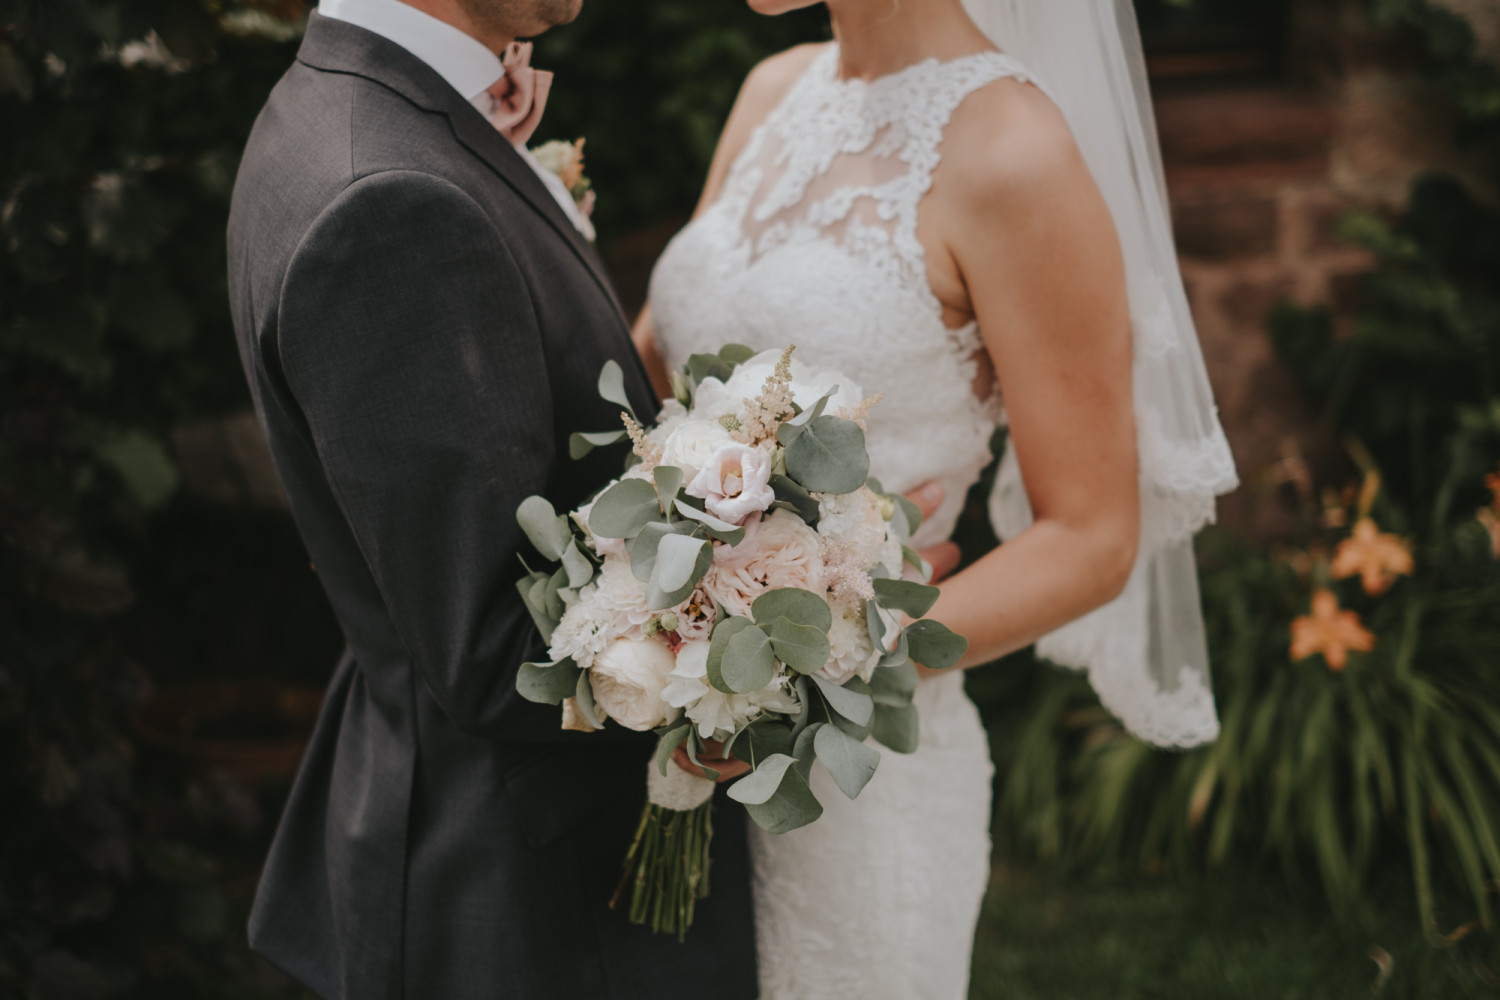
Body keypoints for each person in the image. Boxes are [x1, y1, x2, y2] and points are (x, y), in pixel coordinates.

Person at [639, 0, 1239, 996]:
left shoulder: (1016, 154)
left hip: (858, 780)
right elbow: (661, 373)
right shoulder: (771, 91)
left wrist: (813, 658)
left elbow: (1092, 536)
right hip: (676, 733)